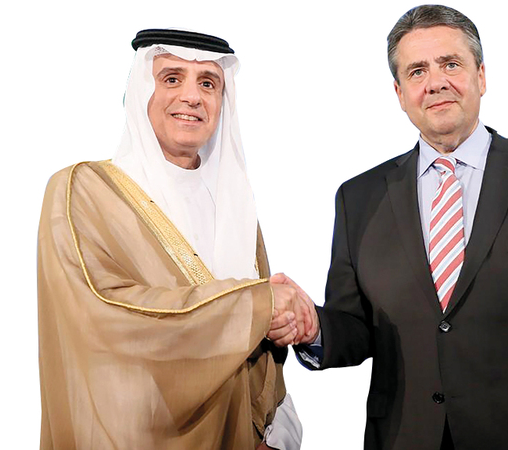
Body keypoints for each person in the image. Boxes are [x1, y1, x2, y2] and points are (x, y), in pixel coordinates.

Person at [279, 5, 508, 449]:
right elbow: (357, 328)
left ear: (481, 76)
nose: (435, 82)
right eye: (417, 71)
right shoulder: (359, 198)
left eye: (450, 64)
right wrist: (313, 328)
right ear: (400, 92)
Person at [37, 29, 311, 449]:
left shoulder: (235, 206)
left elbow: (258, 345)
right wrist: (260, 305)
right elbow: (109, 316)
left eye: (208, 83)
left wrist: (275, 429)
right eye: (171, 78)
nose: (192, 97)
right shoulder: (85, 189)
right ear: (141, 92)